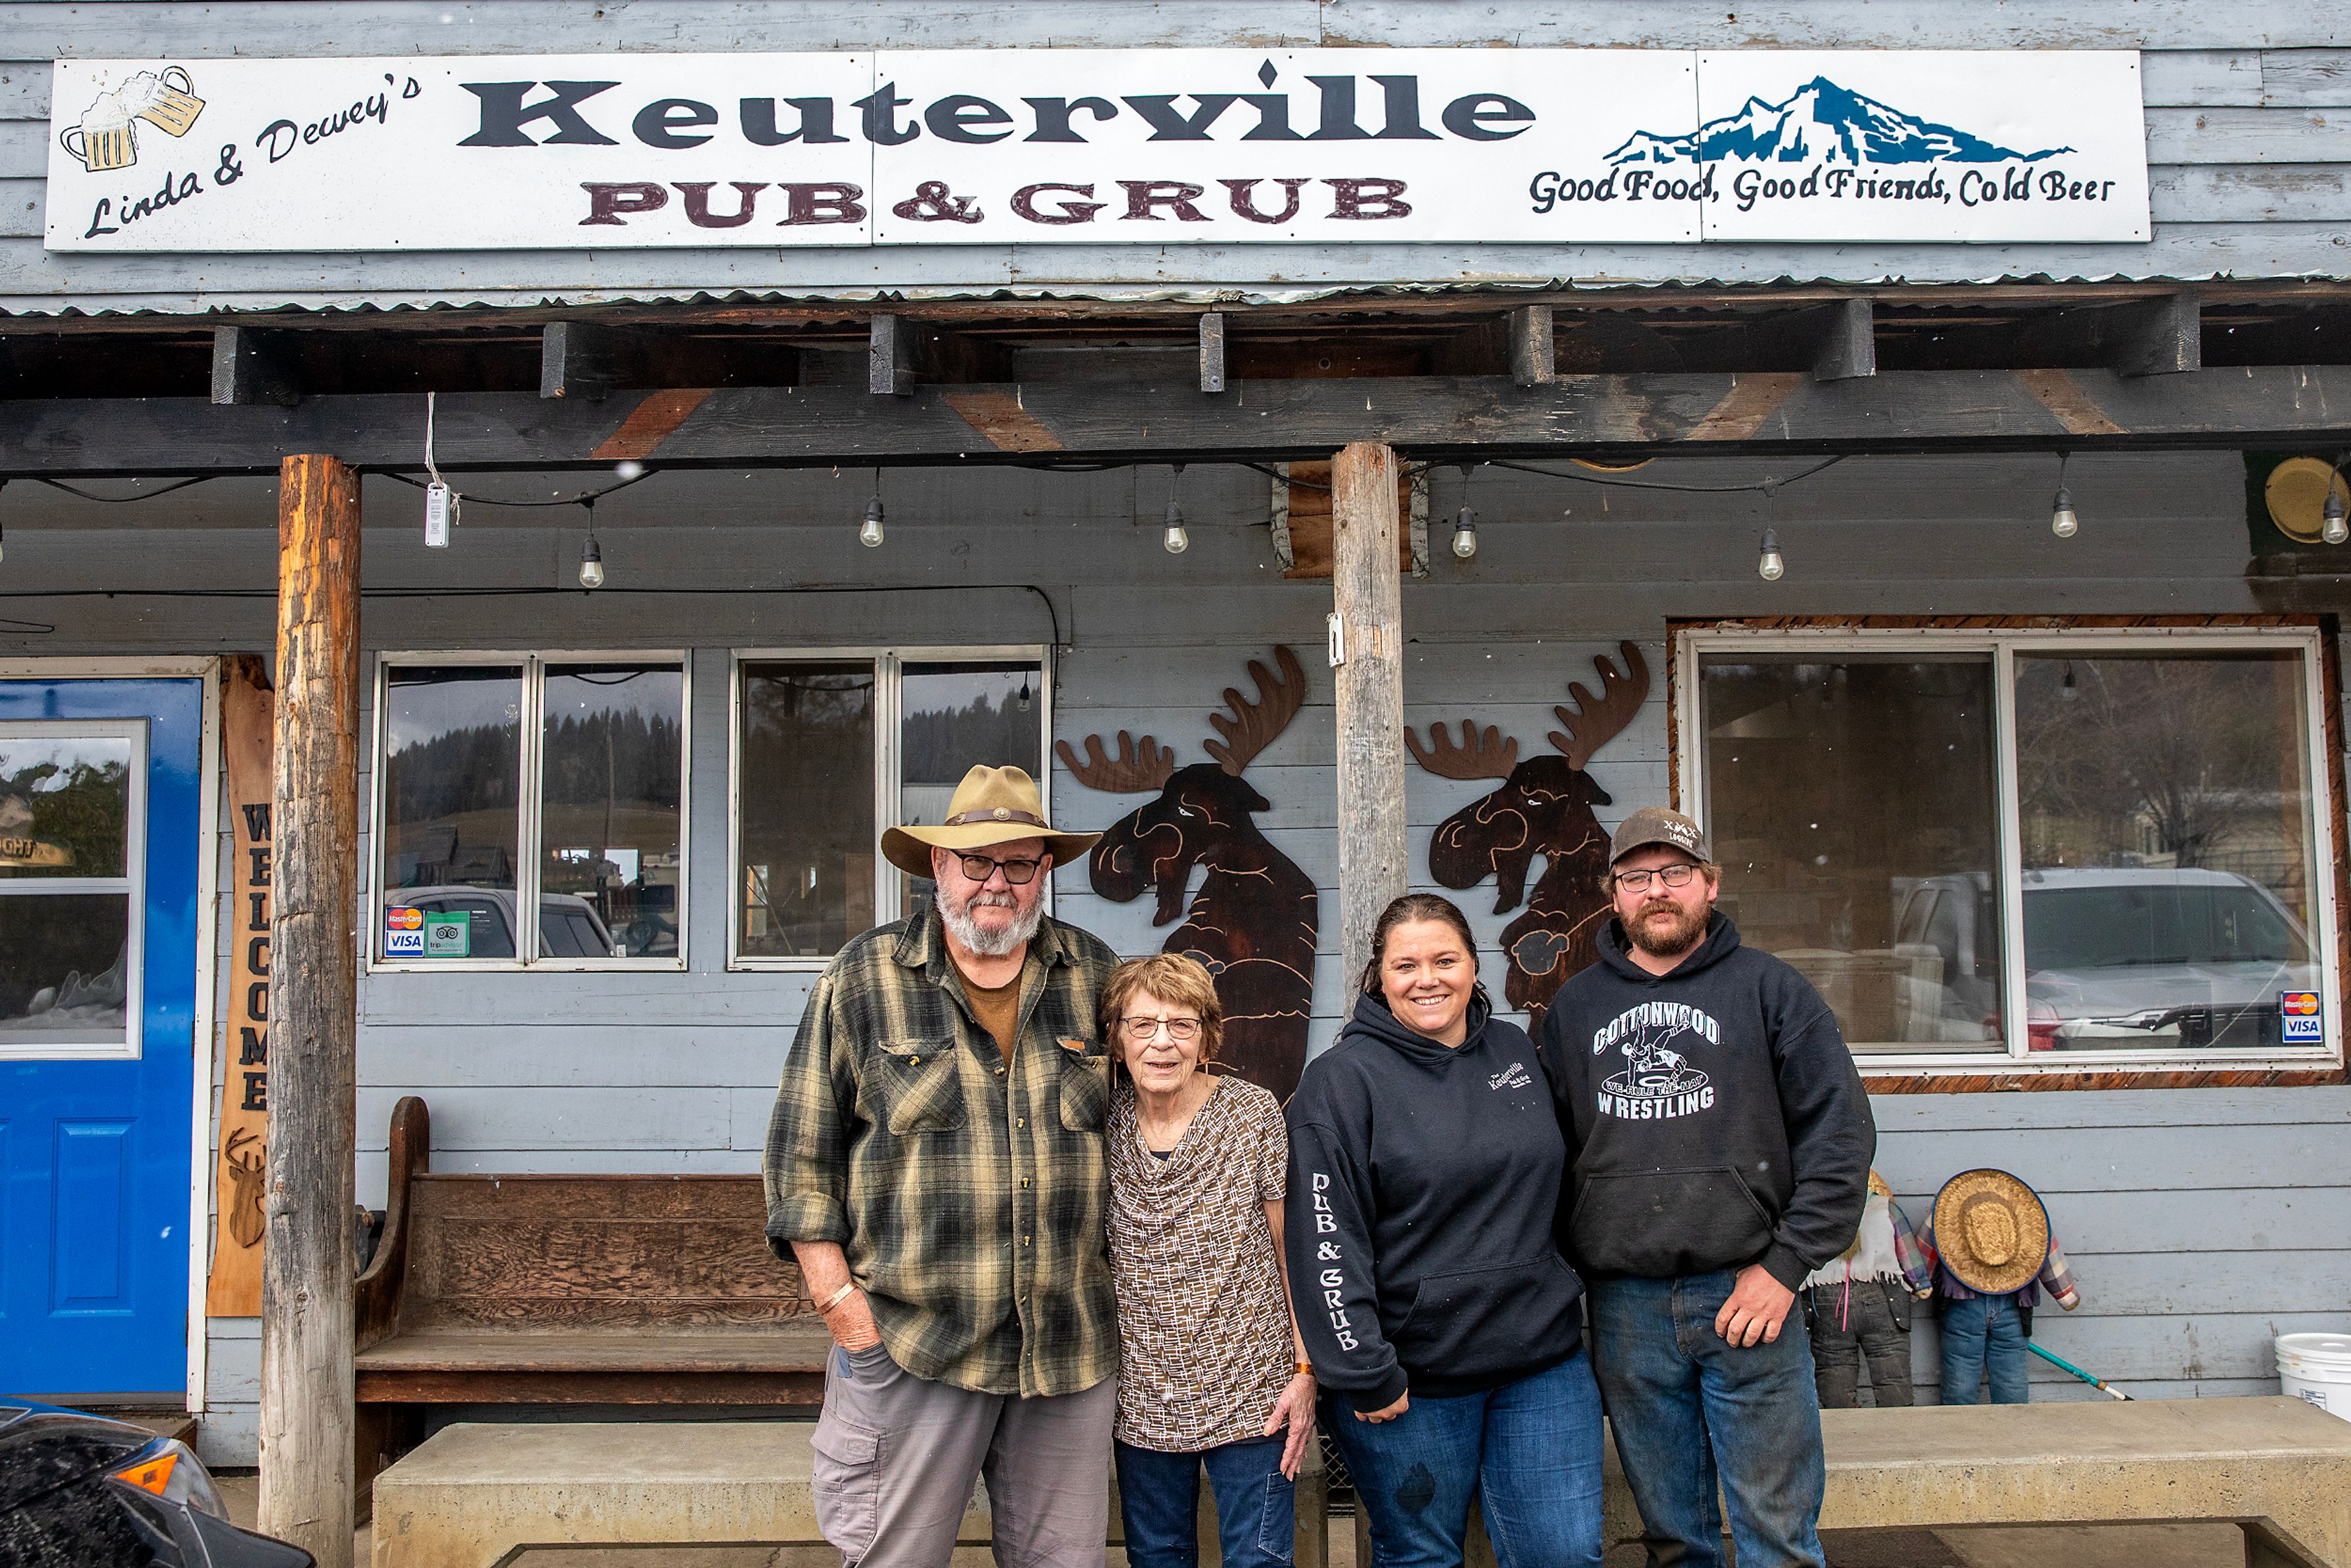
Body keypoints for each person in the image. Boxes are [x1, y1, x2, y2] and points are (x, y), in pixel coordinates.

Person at [762, 764, 1121, 1568]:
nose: (997, 882)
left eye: (1019, 863)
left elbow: (1156, 1110)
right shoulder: (863, 978)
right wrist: (844, 1312)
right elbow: (799, 1159)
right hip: (912, 1340)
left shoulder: (1096, 977)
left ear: (1045, 871)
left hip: (1066, 1347)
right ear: (937, 866)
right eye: (976, 861)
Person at [1537, 806, 1875, 1568]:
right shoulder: (1574, 1009)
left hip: (1750, 1295)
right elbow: (1542, 1155)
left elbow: (1841, 1137)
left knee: (1777, 1533)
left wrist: (1787, 1266)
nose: (1657, 890)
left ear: (1709, 884)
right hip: (1625, 1306)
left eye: (1675, 874)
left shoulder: (1773, 991)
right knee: (1673, 1538)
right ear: (1614, 894)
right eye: (1637, 877)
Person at [1286, 893, 1603, 1568]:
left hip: (1542, 1363)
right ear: (1379, 976)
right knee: (1422, 1557)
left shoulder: (1514, 1048)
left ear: (1472, 965)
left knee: (1566, 1554)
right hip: (1413, 1383)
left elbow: (1565, 1187)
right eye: (1406, 964)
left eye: (1444, 959)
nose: (1427, 977)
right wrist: (1363, 1368)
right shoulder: (1342, 1081)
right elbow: (1324, 1237)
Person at [1104, 953, 1316, 1568]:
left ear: (1208, 1037)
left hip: (1254, 1390)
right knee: (1159, 1557)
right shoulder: (1102, 1121)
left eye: (1182, 1023)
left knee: (1260, 1559)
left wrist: (1306, 1369)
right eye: (1142, 1024)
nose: (1162, 1041)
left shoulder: (1253, 1113)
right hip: (1143, 1396)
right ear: (1117, 1039)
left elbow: (1290, 1250)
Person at [1921, 1168, 2082, 1405]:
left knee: (1960, 1375)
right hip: (2014, 1306)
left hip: (1962, 1307)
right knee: (2011, 1377)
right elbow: (2049, 1252)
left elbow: (1925, 1248)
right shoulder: (2031, 1217)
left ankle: (1959, 1432)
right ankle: (2013, 1433)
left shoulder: (1942, 1212)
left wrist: (1918, 1284)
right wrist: (2065, 1294)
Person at [1801, 1170, 1934, 1408]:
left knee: (1834, 1365)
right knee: (1890, 1363)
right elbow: (1906, 1249)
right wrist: (1920, 1283)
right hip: (1881, 1295)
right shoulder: (1884, 1208)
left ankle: (1844, 1424)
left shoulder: (1811, 1211)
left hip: (1827, 1300)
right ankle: (1898, 1427)